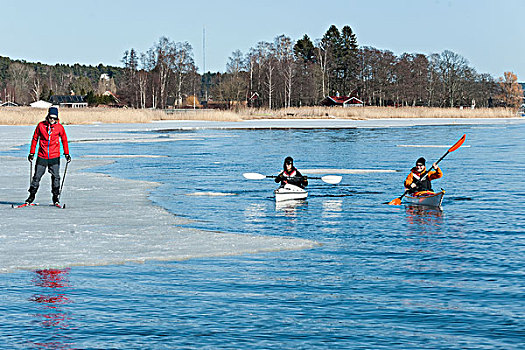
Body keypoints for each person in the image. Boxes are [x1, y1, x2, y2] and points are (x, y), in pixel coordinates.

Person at [26, 106, 71, 205]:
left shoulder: (59, 128)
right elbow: (35, 138)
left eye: (54, 118)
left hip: (54, 157)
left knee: (56, 177)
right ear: (48, 116)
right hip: (42, 156)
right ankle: (31, 195)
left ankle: (55, 197)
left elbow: (64, 140)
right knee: (37, 177)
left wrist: (66, 153)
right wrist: (32, 152)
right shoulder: (41, 126)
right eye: (51, 117)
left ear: (57, 118)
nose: (52, 120)